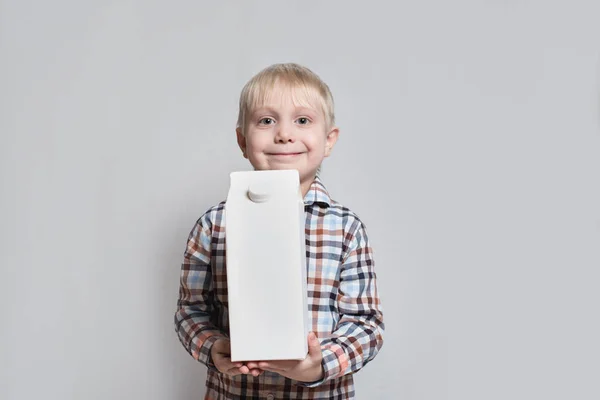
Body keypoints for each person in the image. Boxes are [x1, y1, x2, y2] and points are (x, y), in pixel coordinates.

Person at [174, 63, 384, 399]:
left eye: (302, 120)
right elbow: (191, 311)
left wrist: (320, 365)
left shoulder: (346, 228)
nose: (284, 134)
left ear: (328, 140)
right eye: (266, 120)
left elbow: (366, 324)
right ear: (243, 140)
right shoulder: (213, 225)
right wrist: (212, 348)